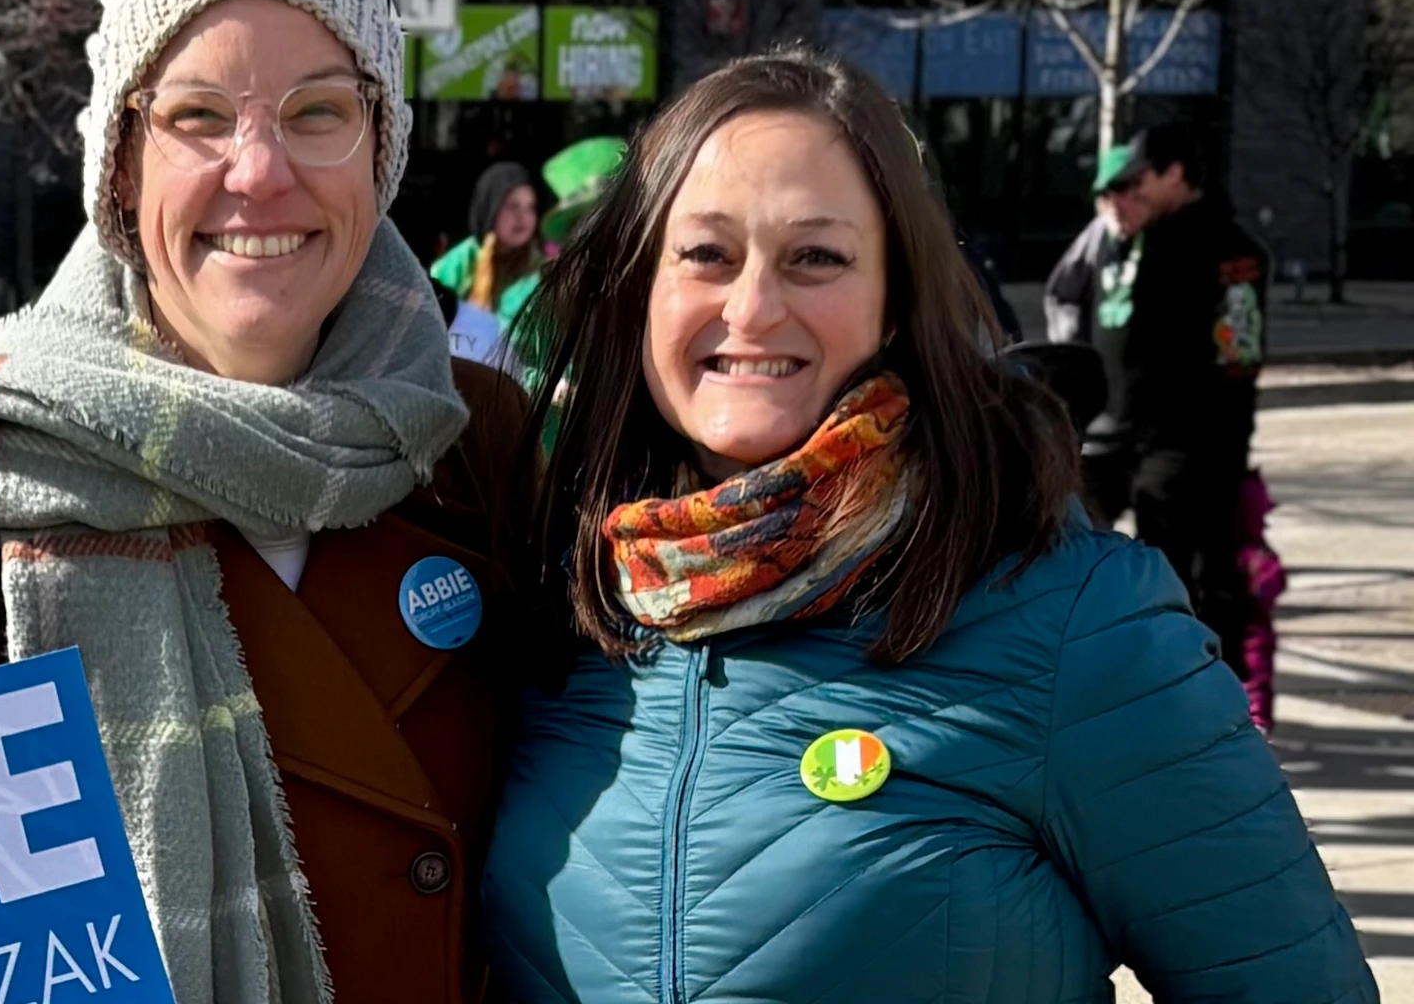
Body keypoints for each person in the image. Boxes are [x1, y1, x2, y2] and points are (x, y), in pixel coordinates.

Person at [0, 0, 526, 1004]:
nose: (258, 171)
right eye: (197, 116)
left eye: (318, 111)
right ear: (120, 165)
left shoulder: (479, 445)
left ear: (378, 147)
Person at [481, 50, 1373, 1003]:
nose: (752, 308)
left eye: (816, 257)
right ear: (636, 287)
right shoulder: (559, 594)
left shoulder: (1078, 618)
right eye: (706, 254)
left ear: (897, 297)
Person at [1045, 124, 1271, 718]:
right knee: (1067, 541)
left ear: (1175, 175)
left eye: (1138, 179)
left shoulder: (1228, 251)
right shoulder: (1126, 237)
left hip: (1187, 441)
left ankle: (1192, 695)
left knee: (1179, 565)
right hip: (1111, 433)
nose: (1128, 194)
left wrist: (1224, 449)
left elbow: (1237, 356)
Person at [431, 160, 545, 325]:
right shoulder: (454, 266)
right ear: (490, 207)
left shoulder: (541, 271)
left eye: (530, 208)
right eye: (513, 206)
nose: (523, 217)